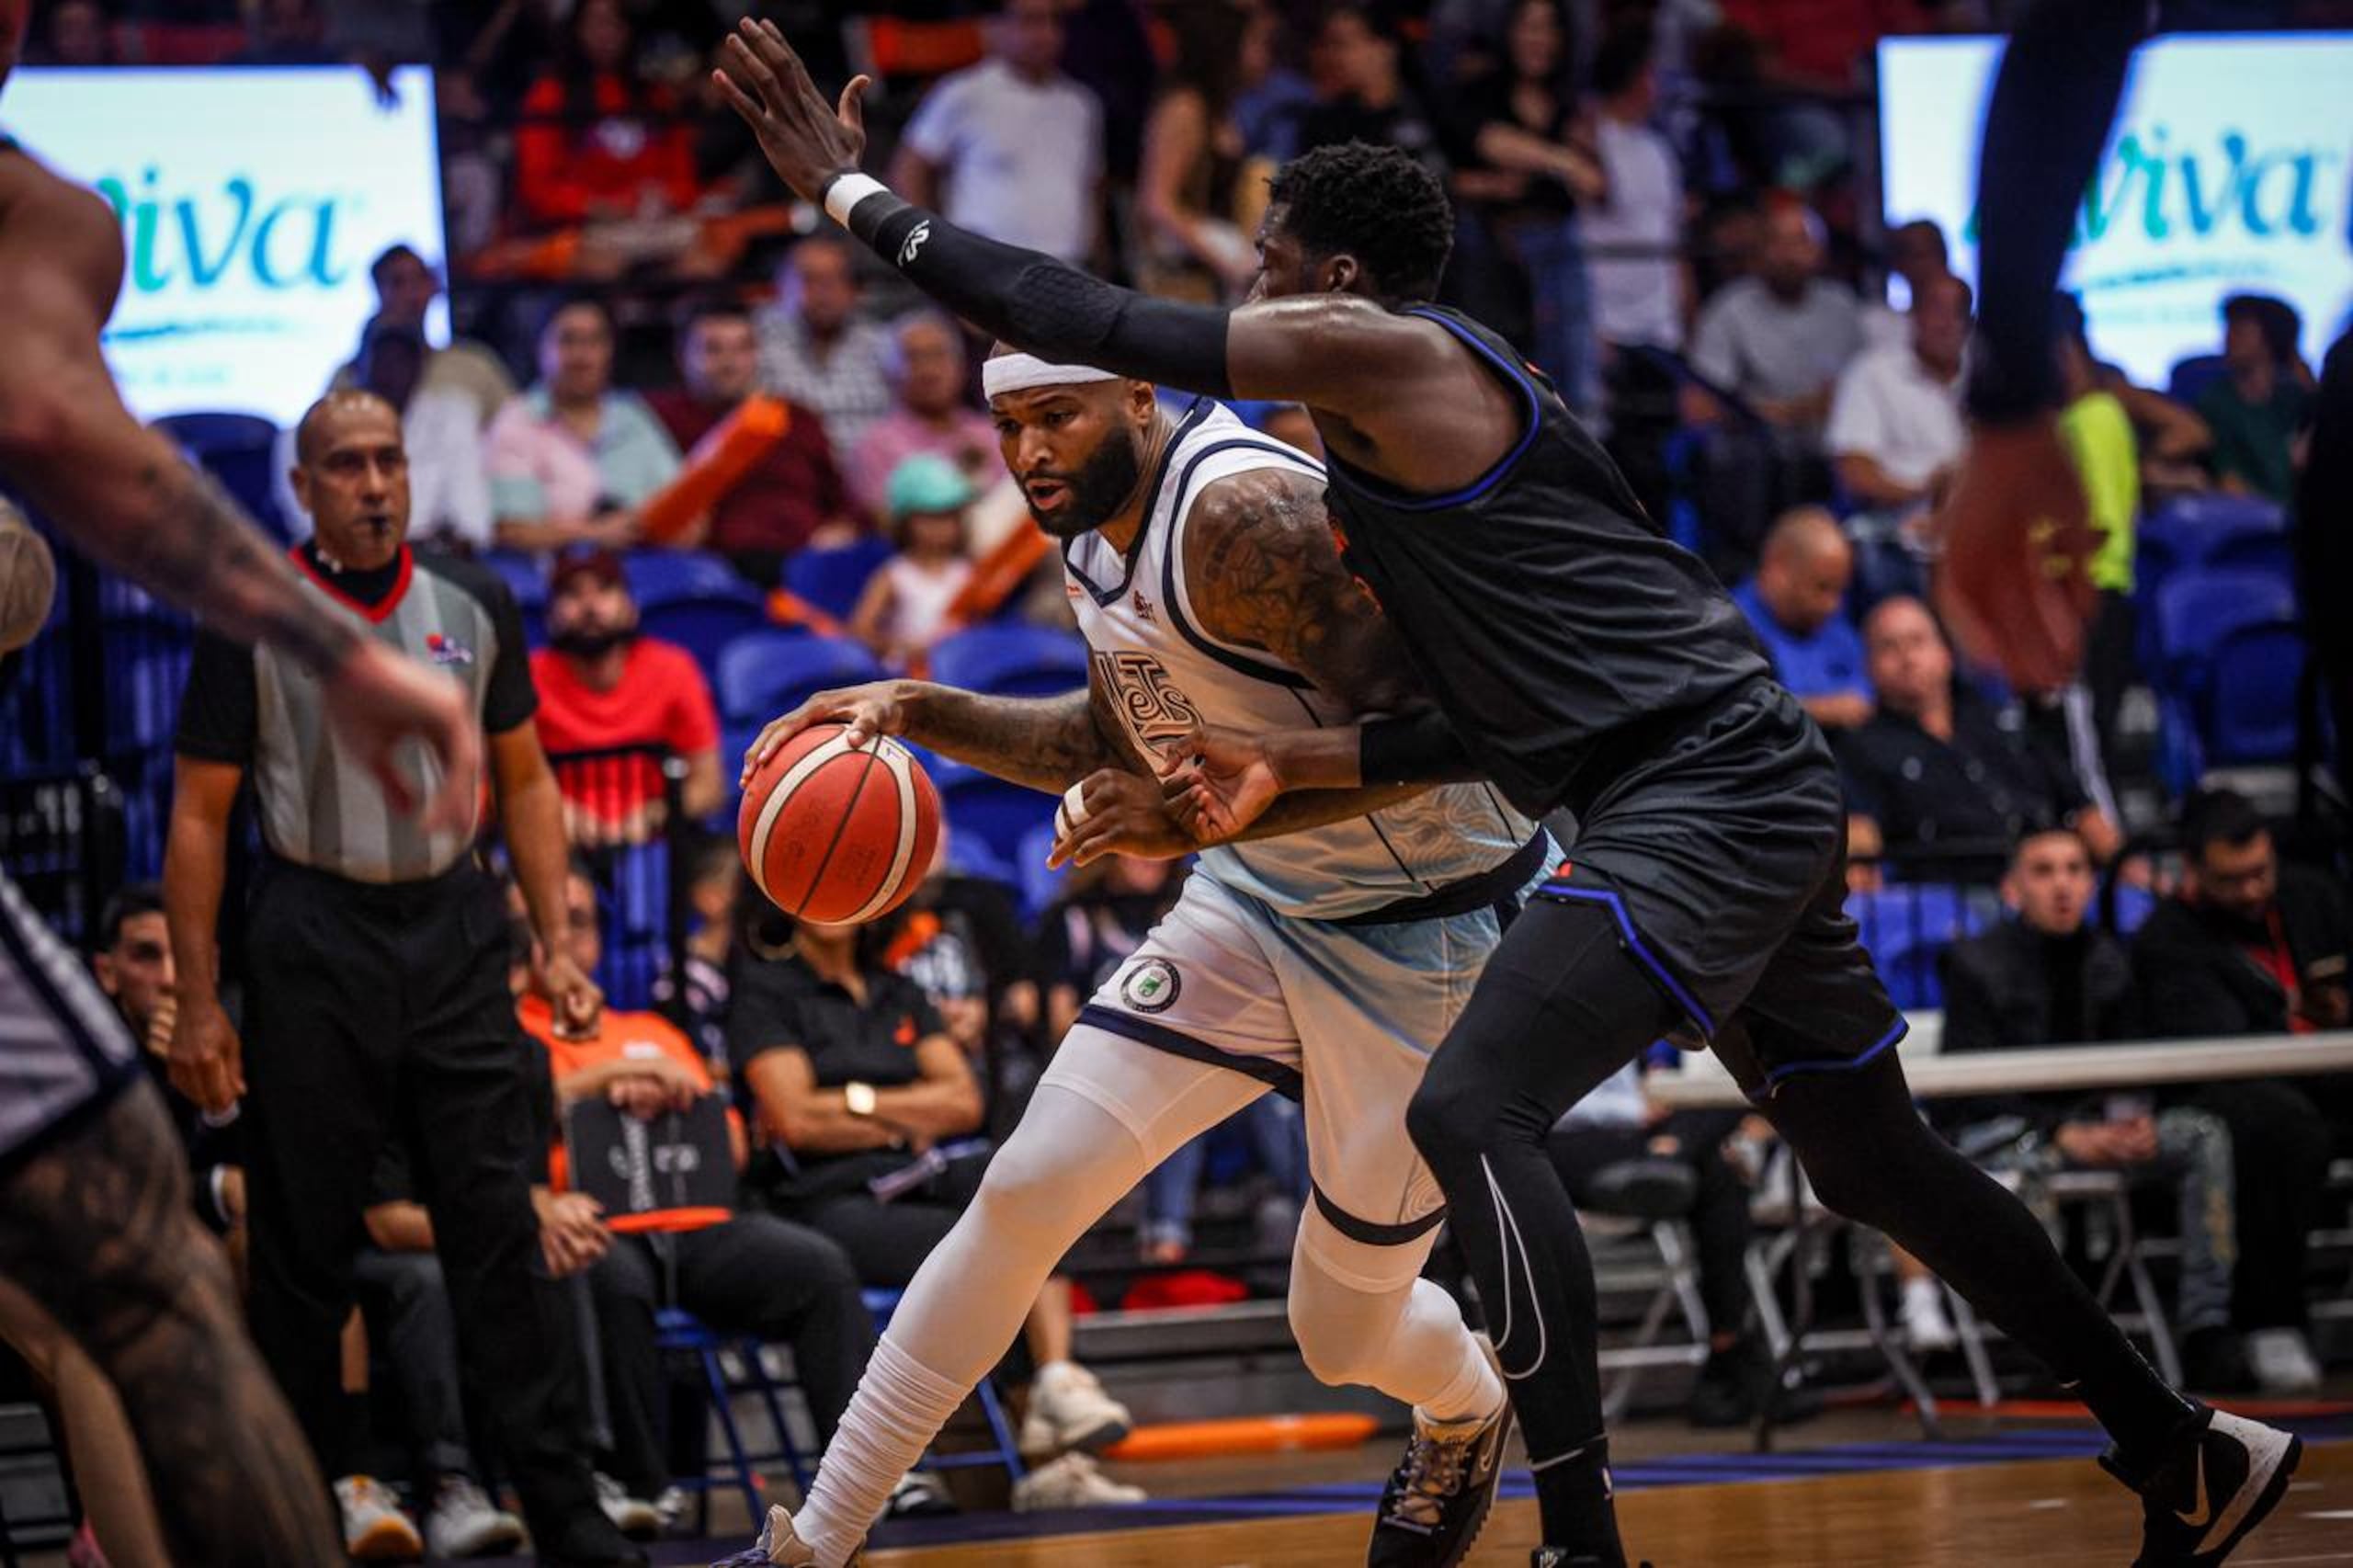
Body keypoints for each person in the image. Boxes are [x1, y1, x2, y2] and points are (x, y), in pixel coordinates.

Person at [705, 34, 2303, 1560]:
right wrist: (1203, 775)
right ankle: (2183, 1449)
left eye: (1266, 259)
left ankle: (1580, 1540)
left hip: (1643, 807)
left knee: (1469, 1123)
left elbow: (1122, 328)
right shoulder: (1337, 456)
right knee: (1870, 1164)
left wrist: (851, 196)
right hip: (1600, 797)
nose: (1245, 283)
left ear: (1331, 284)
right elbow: (1434, 718)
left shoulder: (1368, 373)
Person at [719, 333, 1563, 1565]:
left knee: (1339, 1328)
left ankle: (1467, 1403)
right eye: (1010, 429)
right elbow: (1118, 734)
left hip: (1419, 929)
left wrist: (1190, 813)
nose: (1028, 452)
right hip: (1254, 903)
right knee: (1020, 1191)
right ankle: (816, 1541)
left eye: (1055, 417)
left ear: (1136, 393)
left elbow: (1441, 735)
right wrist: (915, 707)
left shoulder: (1246, 515)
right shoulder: (1090, 526)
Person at [0, 17, 481, 1556]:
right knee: (145, 1254)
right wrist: (336, 652)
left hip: (411, 950)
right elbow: (61, 430)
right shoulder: (45, 221)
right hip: (311, 947)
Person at [165, 391, 644, 1567]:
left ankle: (560, 1500)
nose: (375, 483)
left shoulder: (472, 600)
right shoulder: (249, 612)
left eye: (388, 461)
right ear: (304, 488)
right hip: (310, 931)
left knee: (498, 1225)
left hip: (453, 928)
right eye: (347, 465)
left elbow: (528, 783)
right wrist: (197, 993)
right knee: (302, 1248)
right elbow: (197, 814)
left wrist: (554, 937)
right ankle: (304, 1500)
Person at [727, 909, 1146, 1515]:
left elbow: (962, 1100)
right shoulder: (767, 991)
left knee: (1028, 1186)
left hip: (913, 1179)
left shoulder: (898, 988)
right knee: (994, 1245)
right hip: (824, 1201)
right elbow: (795, 1118)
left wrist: (849, 1103)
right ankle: (1044, 1448)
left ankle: (1056, 1388)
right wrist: (903, 1109)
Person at [526, 864, 878, 1520]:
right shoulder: (514, 1032)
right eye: (546, 926)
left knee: (818, 1267)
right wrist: (613, 1079)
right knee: (607, 1279)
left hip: (697, 1219)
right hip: (593, 1221)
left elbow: (734, 1143)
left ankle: (863, 1477)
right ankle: (640, 1487)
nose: (563, 942)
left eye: (580, 923)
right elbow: (509, 1112)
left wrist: (669, 1094)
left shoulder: (656, 1031)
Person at [1935, 829, 2247, 1392]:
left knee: (2203, 1134)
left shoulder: (2113, 959)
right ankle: (2046, 1341)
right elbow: (1964, 1092)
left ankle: (2207, 1330)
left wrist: (2131, 1119)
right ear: (2012, 887)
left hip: (2099, 1130)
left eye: (2076, 869)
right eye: (2045, 870)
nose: (2063, 885)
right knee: (2025, 1161)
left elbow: (2136, 1059)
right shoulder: (1973, 963)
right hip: (2010, 1133)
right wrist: (2062, 1133)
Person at [2128, 790, 2341, 1394]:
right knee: (2281, 1127)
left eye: (2260, 873)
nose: (2252, 890)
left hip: (2327, 1073)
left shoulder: (2314, 896)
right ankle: (2272, 1322)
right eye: (2232, 879)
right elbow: (2214, 1042)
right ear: (2193, 872)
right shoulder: (2167, 937)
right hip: (2227, 1088)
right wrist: (2301, 1016)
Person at [1839, 597, 2120, 881]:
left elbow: (2082, 809)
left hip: (2048, 881)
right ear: (1868, 667)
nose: (1907, 658)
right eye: (1889, 647)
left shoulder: (2002, 721)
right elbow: (1861, 836)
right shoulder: (1862, 748)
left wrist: (2127, 867)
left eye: (1917, 641)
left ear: (1946, 653)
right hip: (1952, 898)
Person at [1449, 0, 1607, 412]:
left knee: (1575, 357)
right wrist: (1563, 161)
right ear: (1509, 33)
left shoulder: (1569, 102)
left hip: (1560, 243)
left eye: (1548, 29)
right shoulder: (1481, 90)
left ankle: (1581, 428)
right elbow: (1487, 142)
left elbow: (1597, 181)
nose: (1539, 40)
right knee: (1506, 360)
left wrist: (1566, 162)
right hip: (1496, 247)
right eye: (1529, 27)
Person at [645, 296, 861, 585]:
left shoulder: (797, 419)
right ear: (681, 356)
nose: (730, 363)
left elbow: (844, 506)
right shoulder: (655, 420)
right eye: (713, 349)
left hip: (804, 569)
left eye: (742, 348)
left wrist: (840, 531)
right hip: (707, 575)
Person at [889, 0, 1104, 268]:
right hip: (986, 267)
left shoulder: (1080, 104)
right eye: (1030, 21)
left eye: (1053, 21)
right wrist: (933, 254)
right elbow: (909, 173)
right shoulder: (963, 92)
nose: (1045, 34)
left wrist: (1098, 263)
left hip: (1068, 266)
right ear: (995, 28)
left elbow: (1091, 189)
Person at [529, 547, 725, 838]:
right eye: (572, 594)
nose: (590, 606)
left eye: (605, 590)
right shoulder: (528, 676)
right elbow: (503, 788)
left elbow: (710, 786)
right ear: (551, 615)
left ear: (631, 608)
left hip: (659, 835)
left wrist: (655, 814)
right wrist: (554, 813)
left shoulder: (673, 668)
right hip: (563, 839)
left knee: (720, 864)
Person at [486, 297, 682, 554]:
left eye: (594, 341)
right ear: (540, 348)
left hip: (647, 569)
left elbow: (681, 505)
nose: (581, 355)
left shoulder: (633, 415)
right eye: (567, 340)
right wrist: (598, 533)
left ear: (610, 350)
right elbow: (512, 530)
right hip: (551, 579)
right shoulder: (517, 421)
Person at [1825, 273, 1971, 601]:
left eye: (1957, 312)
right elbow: (1854, 473)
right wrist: (1927, 487)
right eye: (1935, 310)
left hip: (1971, 537)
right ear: (1913, 315)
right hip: (1897, 539)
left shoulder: (1985, 379)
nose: (1946, 323)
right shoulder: (1873, 374)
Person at [514, 0, 704, 230]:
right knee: (602, 264)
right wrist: (591, 206)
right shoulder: (549, 95)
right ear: (576, 29)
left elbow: (685, 181)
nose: (606, 34)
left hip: (653, 223)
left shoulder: (656, 96)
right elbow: (536, 189)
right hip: (577, 229)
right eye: (596, 23)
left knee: (706, 255)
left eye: (615, 24)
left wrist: (667, 197)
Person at [1687, 199, 1861, 432]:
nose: (1790, 255)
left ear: (1821, 251)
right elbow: (1699, 406)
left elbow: (1865, 392)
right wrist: (1794, 411)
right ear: (1758, 250)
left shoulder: (1842, 306)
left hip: (1832, 448)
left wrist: (1786, 410)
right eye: (1778, 242)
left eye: (1801, 242)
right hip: (1753, 451)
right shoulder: (1728, 310)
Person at [1134, 0, 1264, 302]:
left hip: (1219, 270)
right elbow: (1156, 202)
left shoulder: (1222, 107)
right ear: (1225, 45)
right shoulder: (1185, 107)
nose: (1263, 54)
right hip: (1184, 277)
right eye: (1254, 42)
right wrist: (1224, 255)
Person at [1581, 21, 1688, 359]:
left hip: (1660, 327)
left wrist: (1683, 315)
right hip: (1605, 325)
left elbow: (1672, 237)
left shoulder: (1659, 150)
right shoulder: (1588, 139)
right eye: (1653, 73)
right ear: (1638, 77)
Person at [847, 312, 1001, 522]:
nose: (928, 370)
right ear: (891, 372)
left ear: (962, 367)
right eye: (913, 357)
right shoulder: (876, 446)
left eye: (938, 355)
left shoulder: (991, 435)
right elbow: (887, 524)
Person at [1728, 506, 1869, 733]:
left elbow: (1862, 701)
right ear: (1778, 569)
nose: (1833, 605)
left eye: (1839, 591)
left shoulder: (1835, 628)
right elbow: (1745, 711)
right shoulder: (1729, 627)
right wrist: (1824, 709)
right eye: (1822, 588)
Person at [756, 235, 898, 454]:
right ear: (782, 288)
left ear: (854, 290)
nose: (823, 293)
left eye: (835, 280)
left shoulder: (882, 344)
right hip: (793, 474)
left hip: (869, 476)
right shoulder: (757, 342)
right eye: (809, 280)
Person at [847, 456, 975, 669]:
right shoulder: (895, 574)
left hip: (963, 670)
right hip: (909, 677)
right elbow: (859, 631)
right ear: (905, 522)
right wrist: (901, 647)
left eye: (949, 516)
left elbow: (978, 624)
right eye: (930, 517)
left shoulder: (967, 571)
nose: (941, 526)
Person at [2193, 294, 2312, 504]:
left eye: (2240, 332)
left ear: (2270, 338)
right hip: (2249, 516)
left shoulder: (2296, 399)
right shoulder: (2215, 402)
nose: (2228, 339)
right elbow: (2226, 475)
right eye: (2228, 330)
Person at [1860, 220, 1949, 353]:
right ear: (1898, 263)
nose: (1928, 264)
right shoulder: (1875, 325)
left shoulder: (1964, 333)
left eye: (1934, 253)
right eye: (1918, 255)